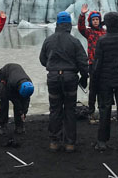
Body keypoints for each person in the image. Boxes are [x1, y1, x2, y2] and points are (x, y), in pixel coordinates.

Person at [39, 11, 89, 153]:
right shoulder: (74, 41)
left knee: (55, 109)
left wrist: (53, 66)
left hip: (54, 78)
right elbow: (83, 62)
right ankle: (70, 143)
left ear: (57, 24)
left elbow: (43, 60)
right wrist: (84, 77)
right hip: (70, 78)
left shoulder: (48, 40)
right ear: (68, 25)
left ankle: (54, 142)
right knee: (70, 110)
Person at [90, 12, 118, 153]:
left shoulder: (102, 41)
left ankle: (102, 142)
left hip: (105, 81)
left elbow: (97, 65)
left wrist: (94, 85)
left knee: (105, 110)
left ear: (107, 24)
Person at [78, 3, 106, 124]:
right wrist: (82, 15)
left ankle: (101, 110)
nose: (95, 21)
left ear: (100, 21)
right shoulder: (89, 32)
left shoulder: (104, 33)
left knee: (103, 88)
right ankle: (91, 110)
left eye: (97, 19)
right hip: (93, 64)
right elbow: (80, 28)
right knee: (93, 88)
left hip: (104, 65)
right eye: (93, 19)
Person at [0, 63, 34, 136]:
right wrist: (21, 110)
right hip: (4, 77)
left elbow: (26, 100)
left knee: (21, 103)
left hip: (16, 76)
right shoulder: (11, 83)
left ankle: (19, 126)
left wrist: (24, 112)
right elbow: (14, 99)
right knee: (4, 100)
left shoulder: (29, 85)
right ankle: (3, 125)